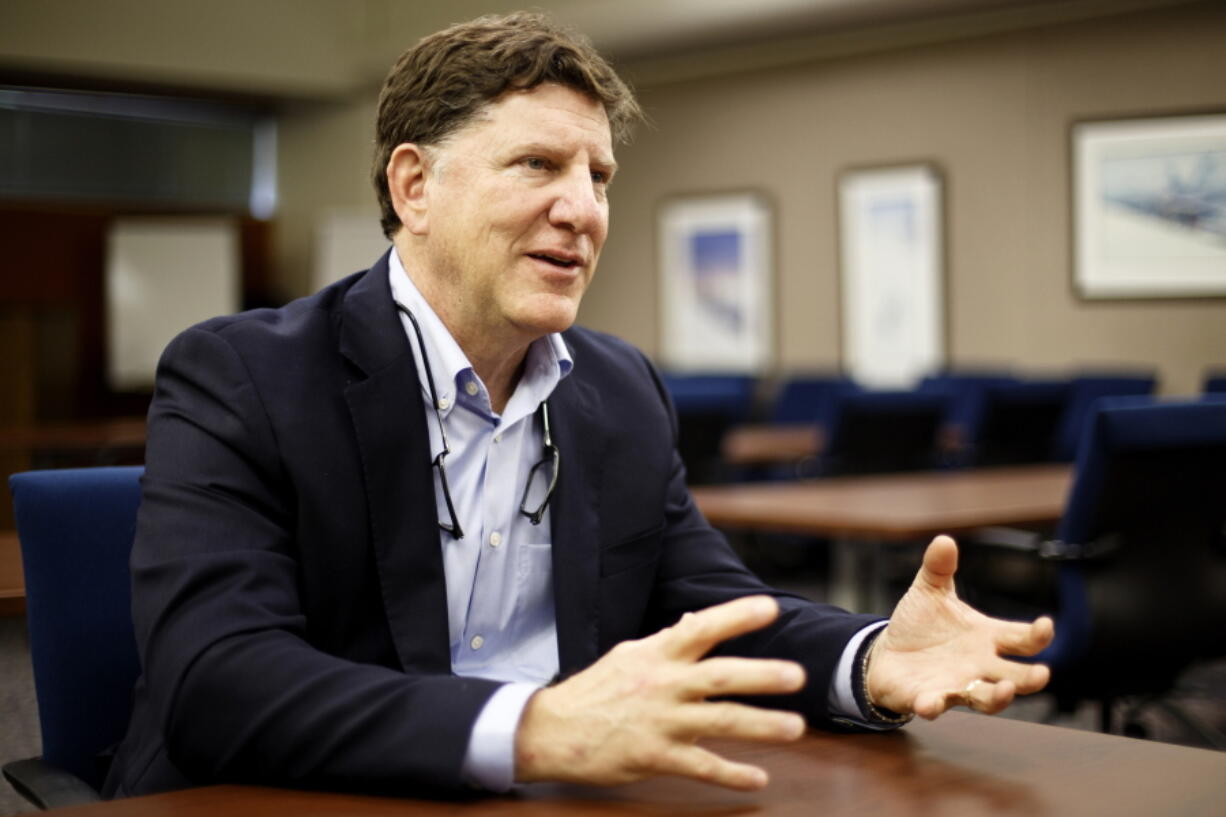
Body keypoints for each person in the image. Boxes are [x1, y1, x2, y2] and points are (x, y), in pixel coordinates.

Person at [102, 11, 1052, 799]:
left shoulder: (618, 389)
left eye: (598, 177)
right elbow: (215, 677)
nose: (584, 209)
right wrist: (531, 726)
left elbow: (713, 611)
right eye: (537, 166)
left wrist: (869, 656)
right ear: (414, 186)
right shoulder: (241, 378)